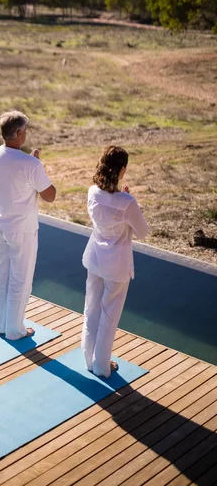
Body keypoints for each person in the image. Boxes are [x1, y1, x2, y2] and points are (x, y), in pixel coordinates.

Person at [0, 110, 56, 340]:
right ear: (17, 132)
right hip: (21, 230)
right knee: (20, 280)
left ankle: (1, 323)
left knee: (1, 273)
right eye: (24, 130)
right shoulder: (30, 164)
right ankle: (15, 330)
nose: (26, 134)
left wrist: (31, 164)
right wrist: (35, 164)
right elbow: (50, 195)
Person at [81, 145, 148, 378]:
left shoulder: (92, 192)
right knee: (109, 316)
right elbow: (142, 231)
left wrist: (126, 199)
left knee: (91, 309)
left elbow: (107, 211)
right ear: (121, 169)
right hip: (116, 265)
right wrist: (131, 202)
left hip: (95, 259)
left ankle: (88, 359)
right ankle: (102, 366)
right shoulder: (127, 202)